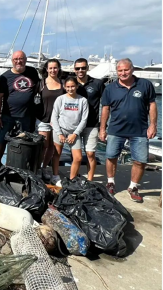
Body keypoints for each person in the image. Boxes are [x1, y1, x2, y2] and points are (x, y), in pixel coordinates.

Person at [100, 58, 157, 202]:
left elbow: (152, 105)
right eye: (120, 70)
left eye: (126, 70)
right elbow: (105, 109)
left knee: (140, 160)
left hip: (139, 130)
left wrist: (153, 125)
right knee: (111, 156)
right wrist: (102, 128)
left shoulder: (145, 85)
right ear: (116, 71)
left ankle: (133, 187)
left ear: (132, 69)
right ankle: (111, 182)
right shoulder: (110, 88)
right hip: (116, 129)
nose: (123, 73)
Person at [0, 51, 40, 162]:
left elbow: (38, 89)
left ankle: (24, 164)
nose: (18, 61)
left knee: (26, 141)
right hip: (8, 115)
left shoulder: (32, 72)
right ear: (12, 61)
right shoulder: (5, 77)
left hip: (27, 116)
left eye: (21, 59)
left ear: (25, 60)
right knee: (2, 140)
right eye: (16, 59)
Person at [51, 77, 89, 185]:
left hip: (74, 132)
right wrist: (59, 133)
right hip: (61, 130)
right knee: (57, 153)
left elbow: (84, 119)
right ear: (64, 87)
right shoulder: (60, 99)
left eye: (72, 86)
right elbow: (54, 117)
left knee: (78, 157)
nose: (70, 89)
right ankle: (55, 176)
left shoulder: (83, 100)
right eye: (67, 87)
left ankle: (72, 180)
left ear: (77, 86)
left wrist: (75, 134)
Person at [74, 58, 106, 181]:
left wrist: (103, 126)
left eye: (83, 67)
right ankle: (74, 178)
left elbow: (106, 105)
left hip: (91, 124)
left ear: (87, 68)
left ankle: (90, 180)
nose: (80, 70)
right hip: (74, 125)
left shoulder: (97, 83)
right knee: (76, 155)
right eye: (78, 68)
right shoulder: (71, 83)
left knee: (90, 154)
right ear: (74, 69)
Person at [36, 59, 65, 173]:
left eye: (55, 68)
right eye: (51, 68)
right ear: (47, 69)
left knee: (53, 147)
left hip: (59, 121)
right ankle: (37, 168)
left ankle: (44, 168)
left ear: (58, 69)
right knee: (43, 145)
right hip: (43, 120)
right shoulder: (41, 84)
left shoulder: (63, 84)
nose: (53, 70)